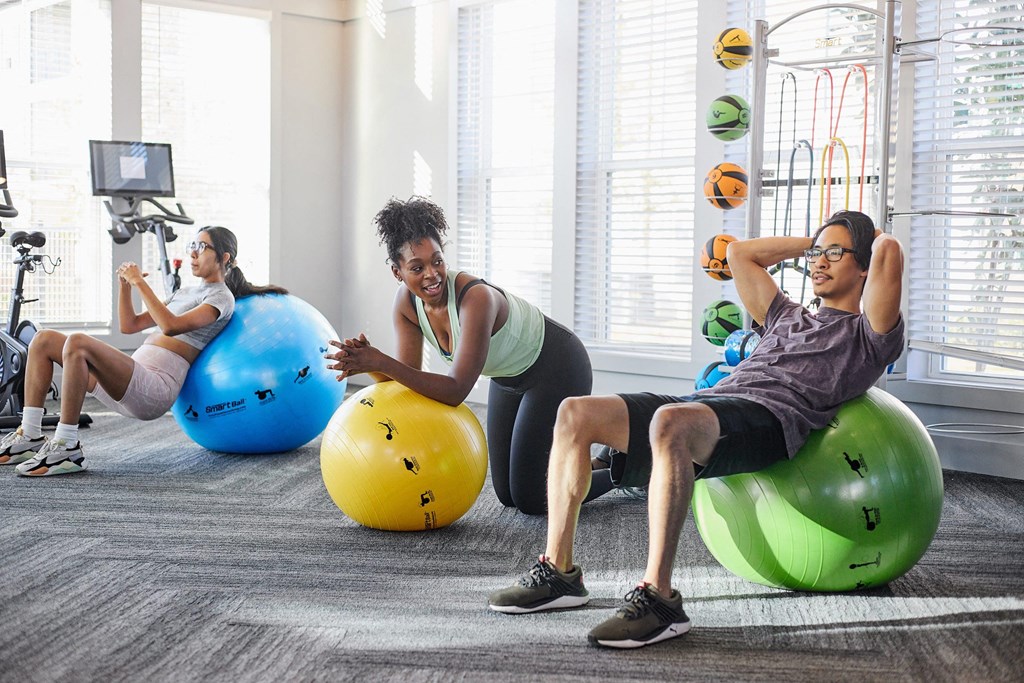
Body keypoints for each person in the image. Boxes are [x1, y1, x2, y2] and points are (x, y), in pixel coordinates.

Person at [488, 210, 905, 648]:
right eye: (817, 255)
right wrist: (818, 243)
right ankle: (559, 573)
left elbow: (889, 249)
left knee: (670, 422)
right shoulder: (785, 314)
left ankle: (660, 598)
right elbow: (740, 254)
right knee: (575, 412)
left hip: (767, 419)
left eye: (835, 254)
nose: (819, 262)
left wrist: (866, 232)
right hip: (710, 403)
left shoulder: (868, 335)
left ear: (863, 265)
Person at [325, 196, 607, 515]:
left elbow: (456, 390)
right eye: (417, 267)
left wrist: (379, 361)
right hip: (508, 376)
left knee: (531, 497)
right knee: (506, 494)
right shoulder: (407, 305)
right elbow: (407, 382)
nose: (432, 274)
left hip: (557, 366)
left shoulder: (476, 299)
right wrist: (366, 365)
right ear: (397, 272)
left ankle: (618, 470)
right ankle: (596, 461)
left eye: (437, 261)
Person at [0, 226, 286, 476]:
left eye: (202, 246)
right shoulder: (184, 292)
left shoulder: (221, 297)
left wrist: (140, 282)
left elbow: (171, 326)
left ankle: (67, 447)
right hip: (128, 382)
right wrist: (126, 287)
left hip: (153, 389)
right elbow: (130, 325)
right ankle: (30, 434)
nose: (193, 253)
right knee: (43, 340)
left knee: (77, 342)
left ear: (224, 258)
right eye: (192, 246)